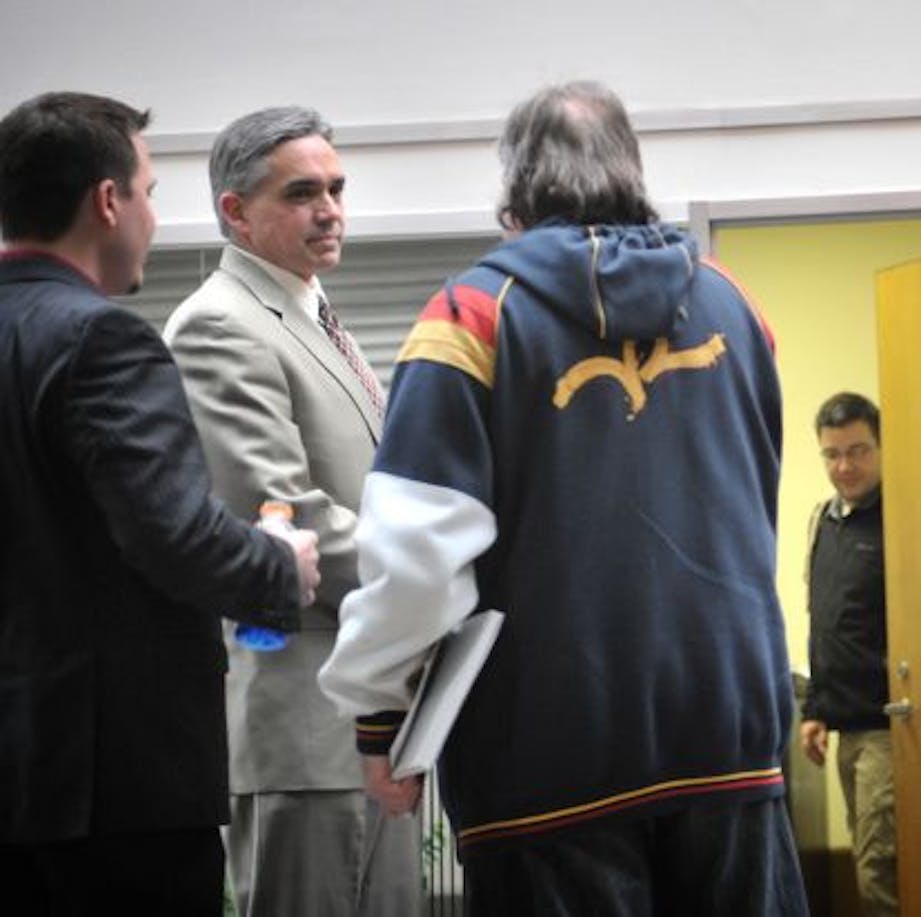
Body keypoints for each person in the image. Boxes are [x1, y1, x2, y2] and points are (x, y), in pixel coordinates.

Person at [319, 80, 808, 915]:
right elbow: (752, 502)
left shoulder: (470, 316)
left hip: (546, 746)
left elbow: (416, 562)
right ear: (634, 172)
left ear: (513, 192)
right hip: (728, 726)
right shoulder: (735, 305)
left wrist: (381, 718)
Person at [0, 92, 320, 917]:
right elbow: (174, 536)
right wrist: (277, 563)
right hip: (117, 794)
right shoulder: (101, 340)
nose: (149, 214)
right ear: (108, 202)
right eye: (147, 190)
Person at [163, 107, 419, 915]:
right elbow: (284, 514)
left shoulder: (310, 311)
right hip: (306, 729)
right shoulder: (217, 323)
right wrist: (432, 581)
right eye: (302, 192)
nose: (330, 209)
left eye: (337, 188)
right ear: (234, 211)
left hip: (371, 718)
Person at [799, 392, 900, 916]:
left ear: (881, 447)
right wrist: (815, 709)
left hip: (888, 728)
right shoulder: (825, 522)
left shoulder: (901, 521)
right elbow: (825, 623)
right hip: (845, 730)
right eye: (833, 454)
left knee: (877, 870)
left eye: (858, 451)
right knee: (869, 860)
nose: (845, 466)